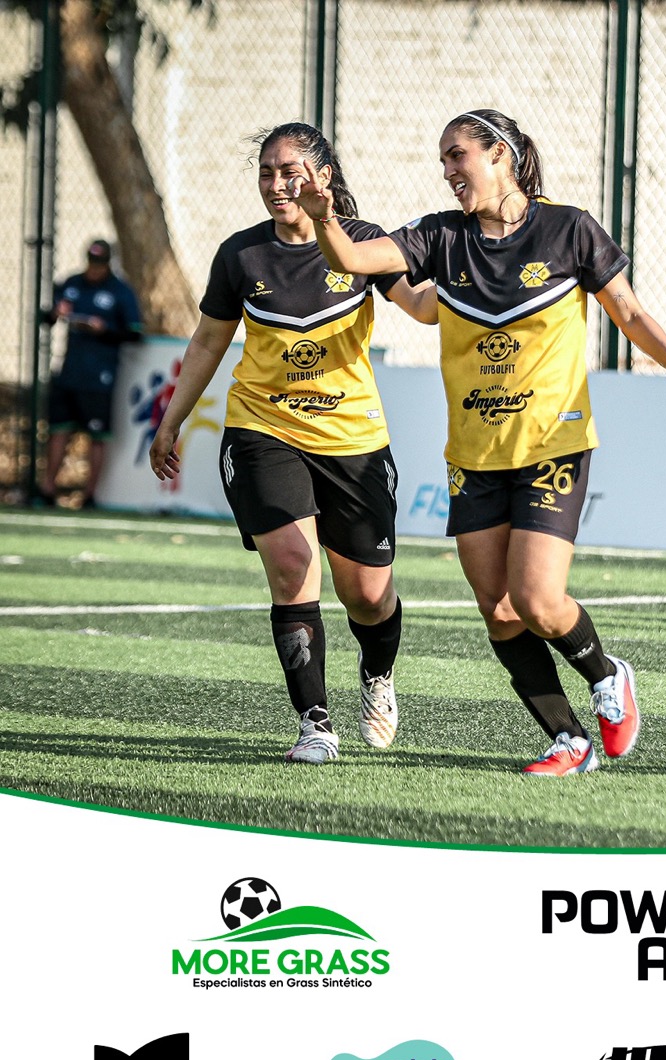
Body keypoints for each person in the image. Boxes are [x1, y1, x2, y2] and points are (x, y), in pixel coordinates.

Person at [296, 108, 666, 777]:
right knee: (498, 610)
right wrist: (324, 220)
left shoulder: (568, 229)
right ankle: (568, 740)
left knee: (538, 600)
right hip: (474, 457)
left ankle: (607, 676)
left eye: (456, 155)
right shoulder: (441, 236)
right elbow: (352, 259)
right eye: (442, 160)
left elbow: (629, 312)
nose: (447, 170)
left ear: (500, 155)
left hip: (552, 443)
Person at [150, 122, 439, 763]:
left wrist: (472, 276)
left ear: (322, 178)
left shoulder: (363, 242)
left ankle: (377, 672)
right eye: (267, 173)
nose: (276, 185)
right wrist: (171, 420)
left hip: (353, 438)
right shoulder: (241, 255)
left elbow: (422, 307)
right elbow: (209, 341)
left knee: (367, 595)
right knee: (291, 565)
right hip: (262, 429)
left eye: (290, 172)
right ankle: (314, 724)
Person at [36, 239, 144, 509]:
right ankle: (47, 489)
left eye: (100, 264)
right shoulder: (71, 283)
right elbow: (46, 319)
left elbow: (134, 333)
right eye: (92, 263)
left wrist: (104, 330)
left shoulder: (120, 291)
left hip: (100, 377)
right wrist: (56, 313)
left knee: (96, 436)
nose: (94, 269)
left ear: (108, 264)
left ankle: (89, 495)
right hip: (69, 372)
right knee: (58, 429)